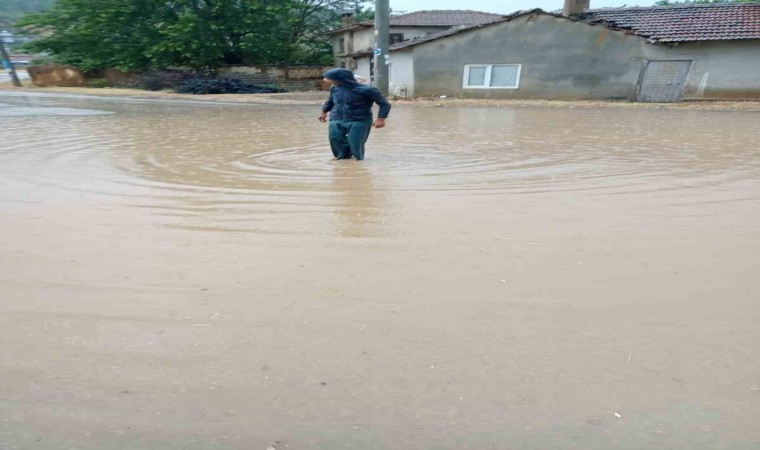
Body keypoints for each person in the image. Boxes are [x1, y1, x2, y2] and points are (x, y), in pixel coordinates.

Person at [319, 68, 391, 161]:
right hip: (337, 118)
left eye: (332, 80)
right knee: (335, 139)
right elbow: (330, 101)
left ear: (341, 79)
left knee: (355, 142)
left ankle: (358, 162)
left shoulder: (367, 90)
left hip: (359, 120)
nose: (330, 82)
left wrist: (381, 119)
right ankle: (343, 160)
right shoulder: (334, 89)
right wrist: (324, 112)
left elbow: (384, 104)